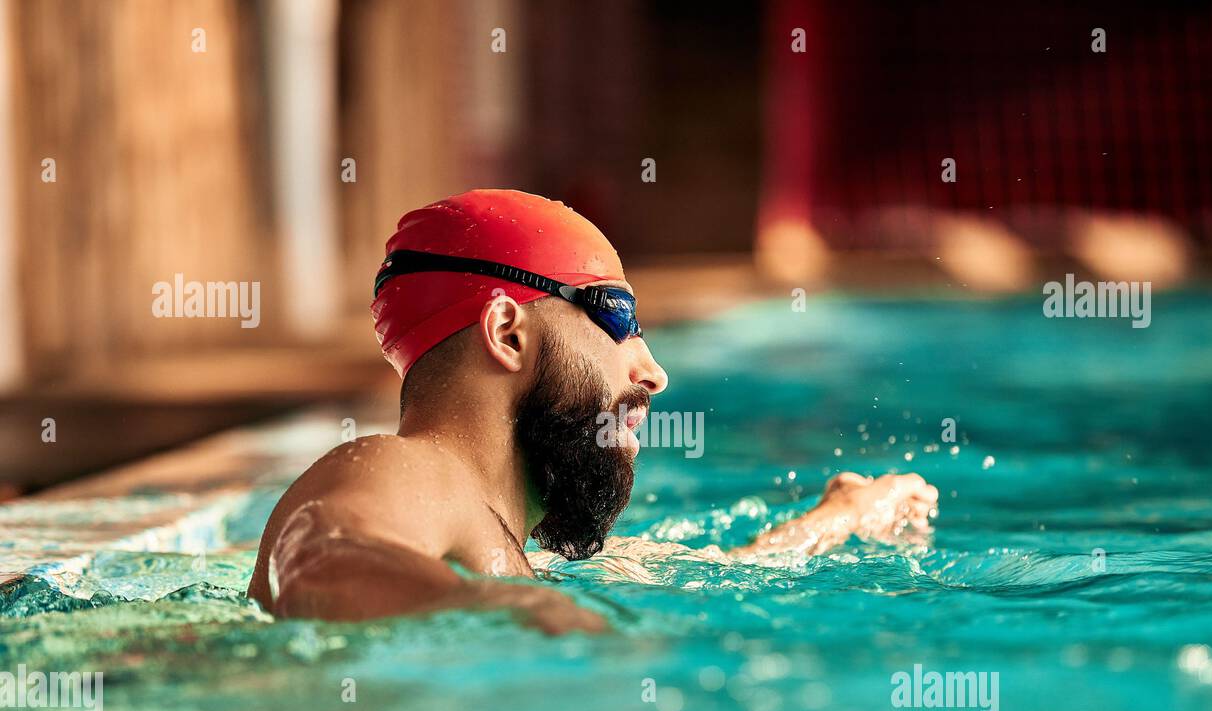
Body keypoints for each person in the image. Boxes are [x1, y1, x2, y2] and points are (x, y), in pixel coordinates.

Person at [247, 189, 938, 633]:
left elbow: (706, 573)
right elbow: (318, 561)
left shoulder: (496, 542)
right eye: (619, 317)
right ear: (508, 332)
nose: (654, 371)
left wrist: (832, 522)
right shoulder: (409, 468)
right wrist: (546, 618)